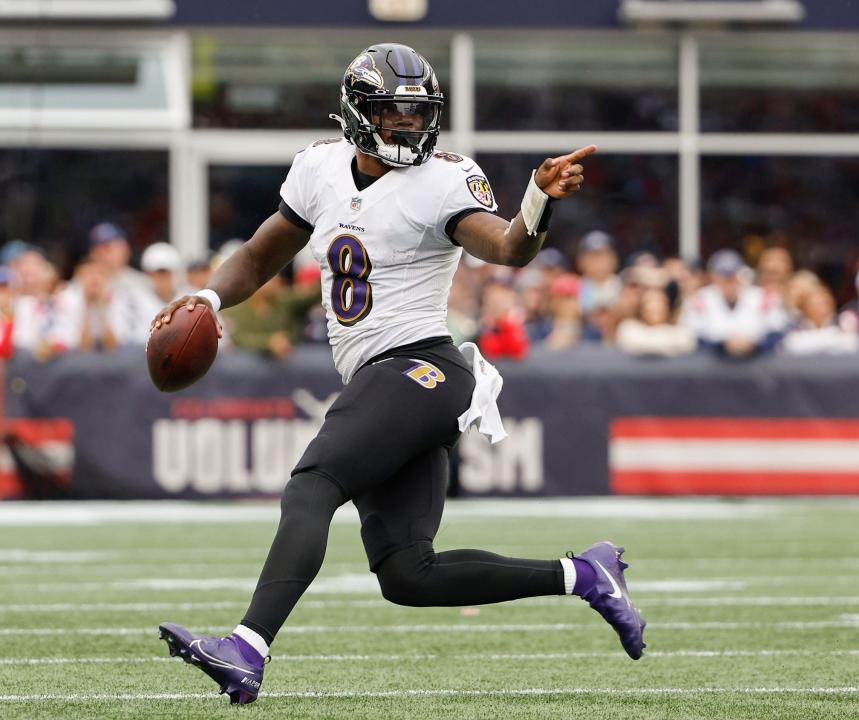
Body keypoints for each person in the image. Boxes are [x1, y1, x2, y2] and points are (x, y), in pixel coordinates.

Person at [151, 43, 645, 705]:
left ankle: (246, 648)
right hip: (381, 378)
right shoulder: (319, 168)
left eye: (417, 114)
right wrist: (208, 299)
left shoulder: (443, 178)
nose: (409, 126)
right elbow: (264, 249)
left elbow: (506, 247)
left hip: (423, 366)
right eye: (394, 114)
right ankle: (583, 574)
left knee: (312, 485)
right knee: (408, 574)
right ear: (358, 113)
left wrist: (536, 203)